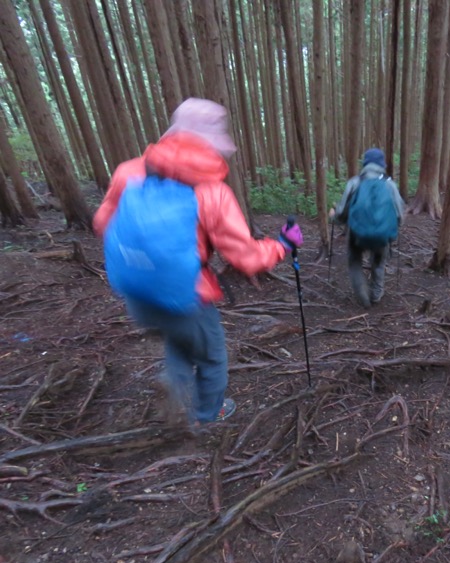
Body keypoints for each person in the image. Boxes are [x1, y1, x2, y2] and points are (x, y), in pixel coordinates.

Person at [93, 98, 304, 425]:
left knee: (176, 335)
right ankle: (207, 416)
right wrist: (282, 245)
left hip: (136, 292)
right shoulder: (212, 192)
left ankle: (175, 382)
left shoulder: (129, 172)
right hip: (187, 295)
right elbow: (244, 258)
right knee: (213, 358)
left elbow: (102, 223)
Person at [331, 148, 405, 308]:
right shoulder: (389, 184)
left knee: (354, 262)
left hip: (357, 235)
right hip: (381, 236)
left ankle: (362, 295)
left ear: (365, 163)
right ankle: (376, 295)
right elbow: (399, 214)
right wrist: (391, 231)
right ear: (382, 164)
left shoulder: (354, 182)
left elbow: (342, 212)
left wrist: (334, 217)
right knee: (378, 263)